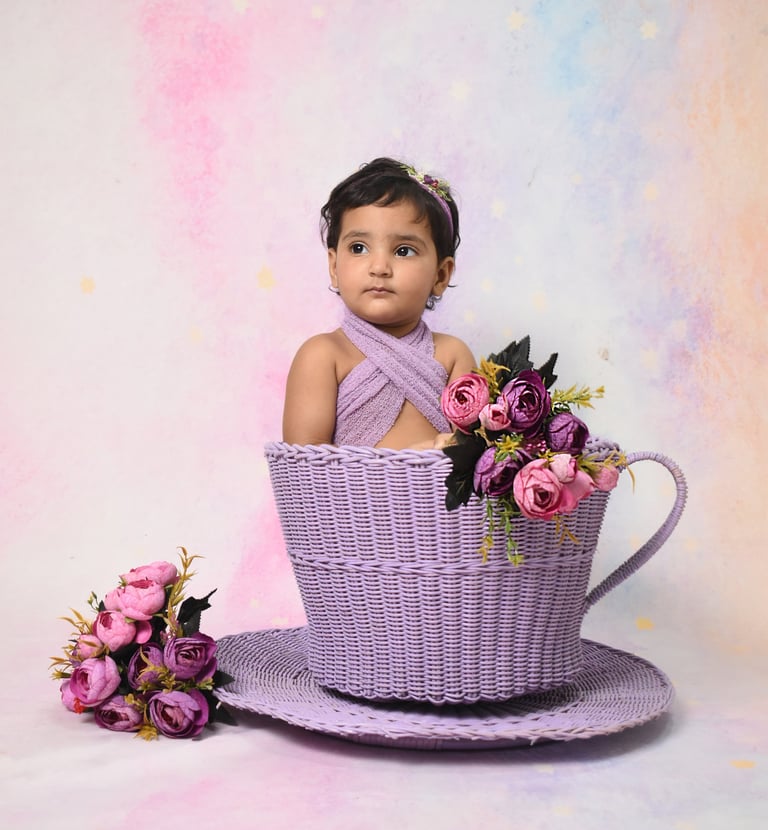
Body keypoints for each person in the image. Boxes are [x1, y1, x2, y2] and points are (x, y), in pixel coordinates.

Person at [282, 157, 475, 450]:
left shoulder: (451, 356)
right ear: (334, 266)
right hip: (347, 497)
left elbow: (477, 454)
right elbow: (306, 468)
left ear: (440, 274)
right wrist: (412, 456)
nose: (380, 267)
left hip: (433, 496)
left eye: (404, 251)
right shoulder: (323, 356)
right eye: (358, 248)